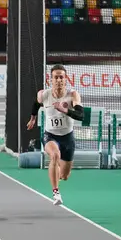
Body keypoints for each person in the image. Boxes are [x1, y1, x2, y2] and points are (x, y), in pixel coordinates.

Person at [27, 64, 84, 206]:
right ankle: (55, 192)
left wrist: (65, 111)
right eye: (55, 77)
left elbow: (81, 116)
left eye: (61, 77)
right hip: (50, 136)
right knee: (55, 155)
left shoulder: (72, 95)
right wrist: (33, 118)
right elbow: (36, 104)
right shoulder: (43, 94)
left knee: (64, 176)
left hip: (68, 138)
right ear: (50, 80)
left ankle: (57, 170)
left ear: (66, 79)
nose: (58, 80)